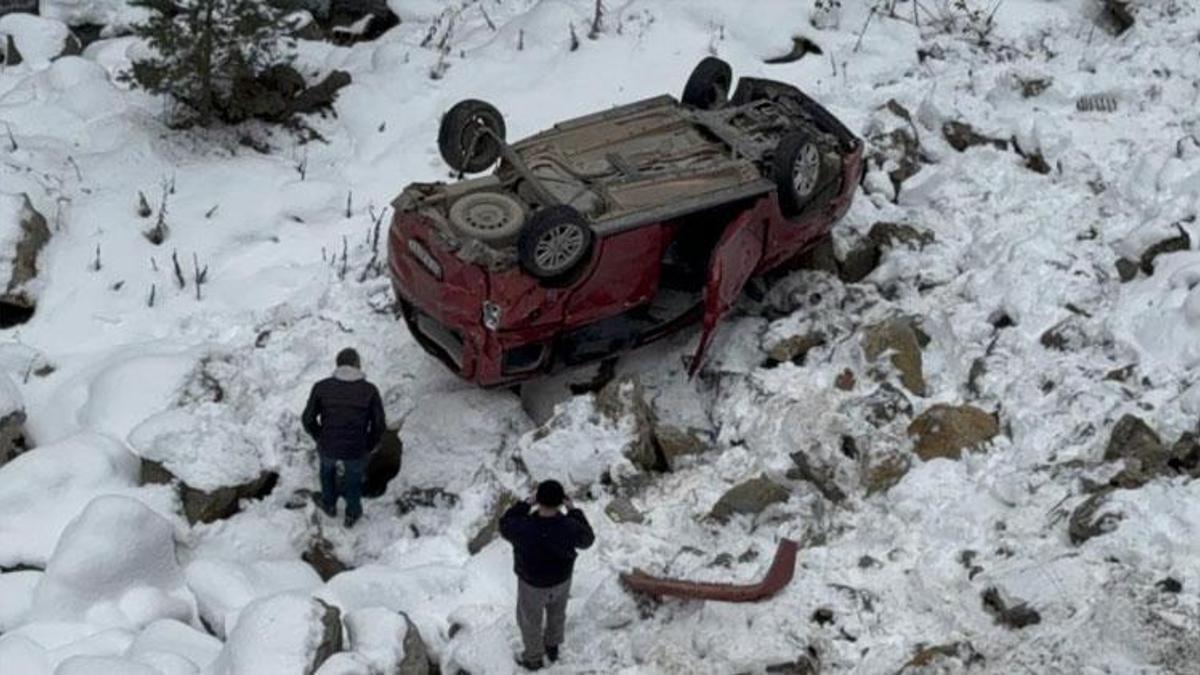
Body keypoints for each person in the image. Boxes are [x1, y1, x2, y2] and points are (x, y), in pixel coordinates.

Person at [499, 480, 595, 671]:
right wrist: (573, 510)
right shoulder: (569, 526)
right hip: (561, 581)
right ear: (561, 502)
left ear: (538, 500)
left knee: (529, 621)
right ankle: (552, 646)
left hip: (531, 585)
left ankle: (533, 658)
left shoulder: (523, 527)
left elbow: (504, 524)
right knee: (557, 614)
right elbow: (588, 539)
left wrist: (525, 503)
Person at [301, 348, 386, 529]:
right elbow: (379, 424)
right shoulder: (369, 390)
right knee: (353, 478)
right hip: (356, 448)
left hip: (328, 445)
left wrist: (319, 436)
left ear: (337, 364)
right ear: (357, 365)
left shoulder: (321, 387)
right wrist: (368, 445)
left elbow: (307, 419)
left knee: (326, 471)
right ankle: (352, 513)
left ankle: (329, 503)